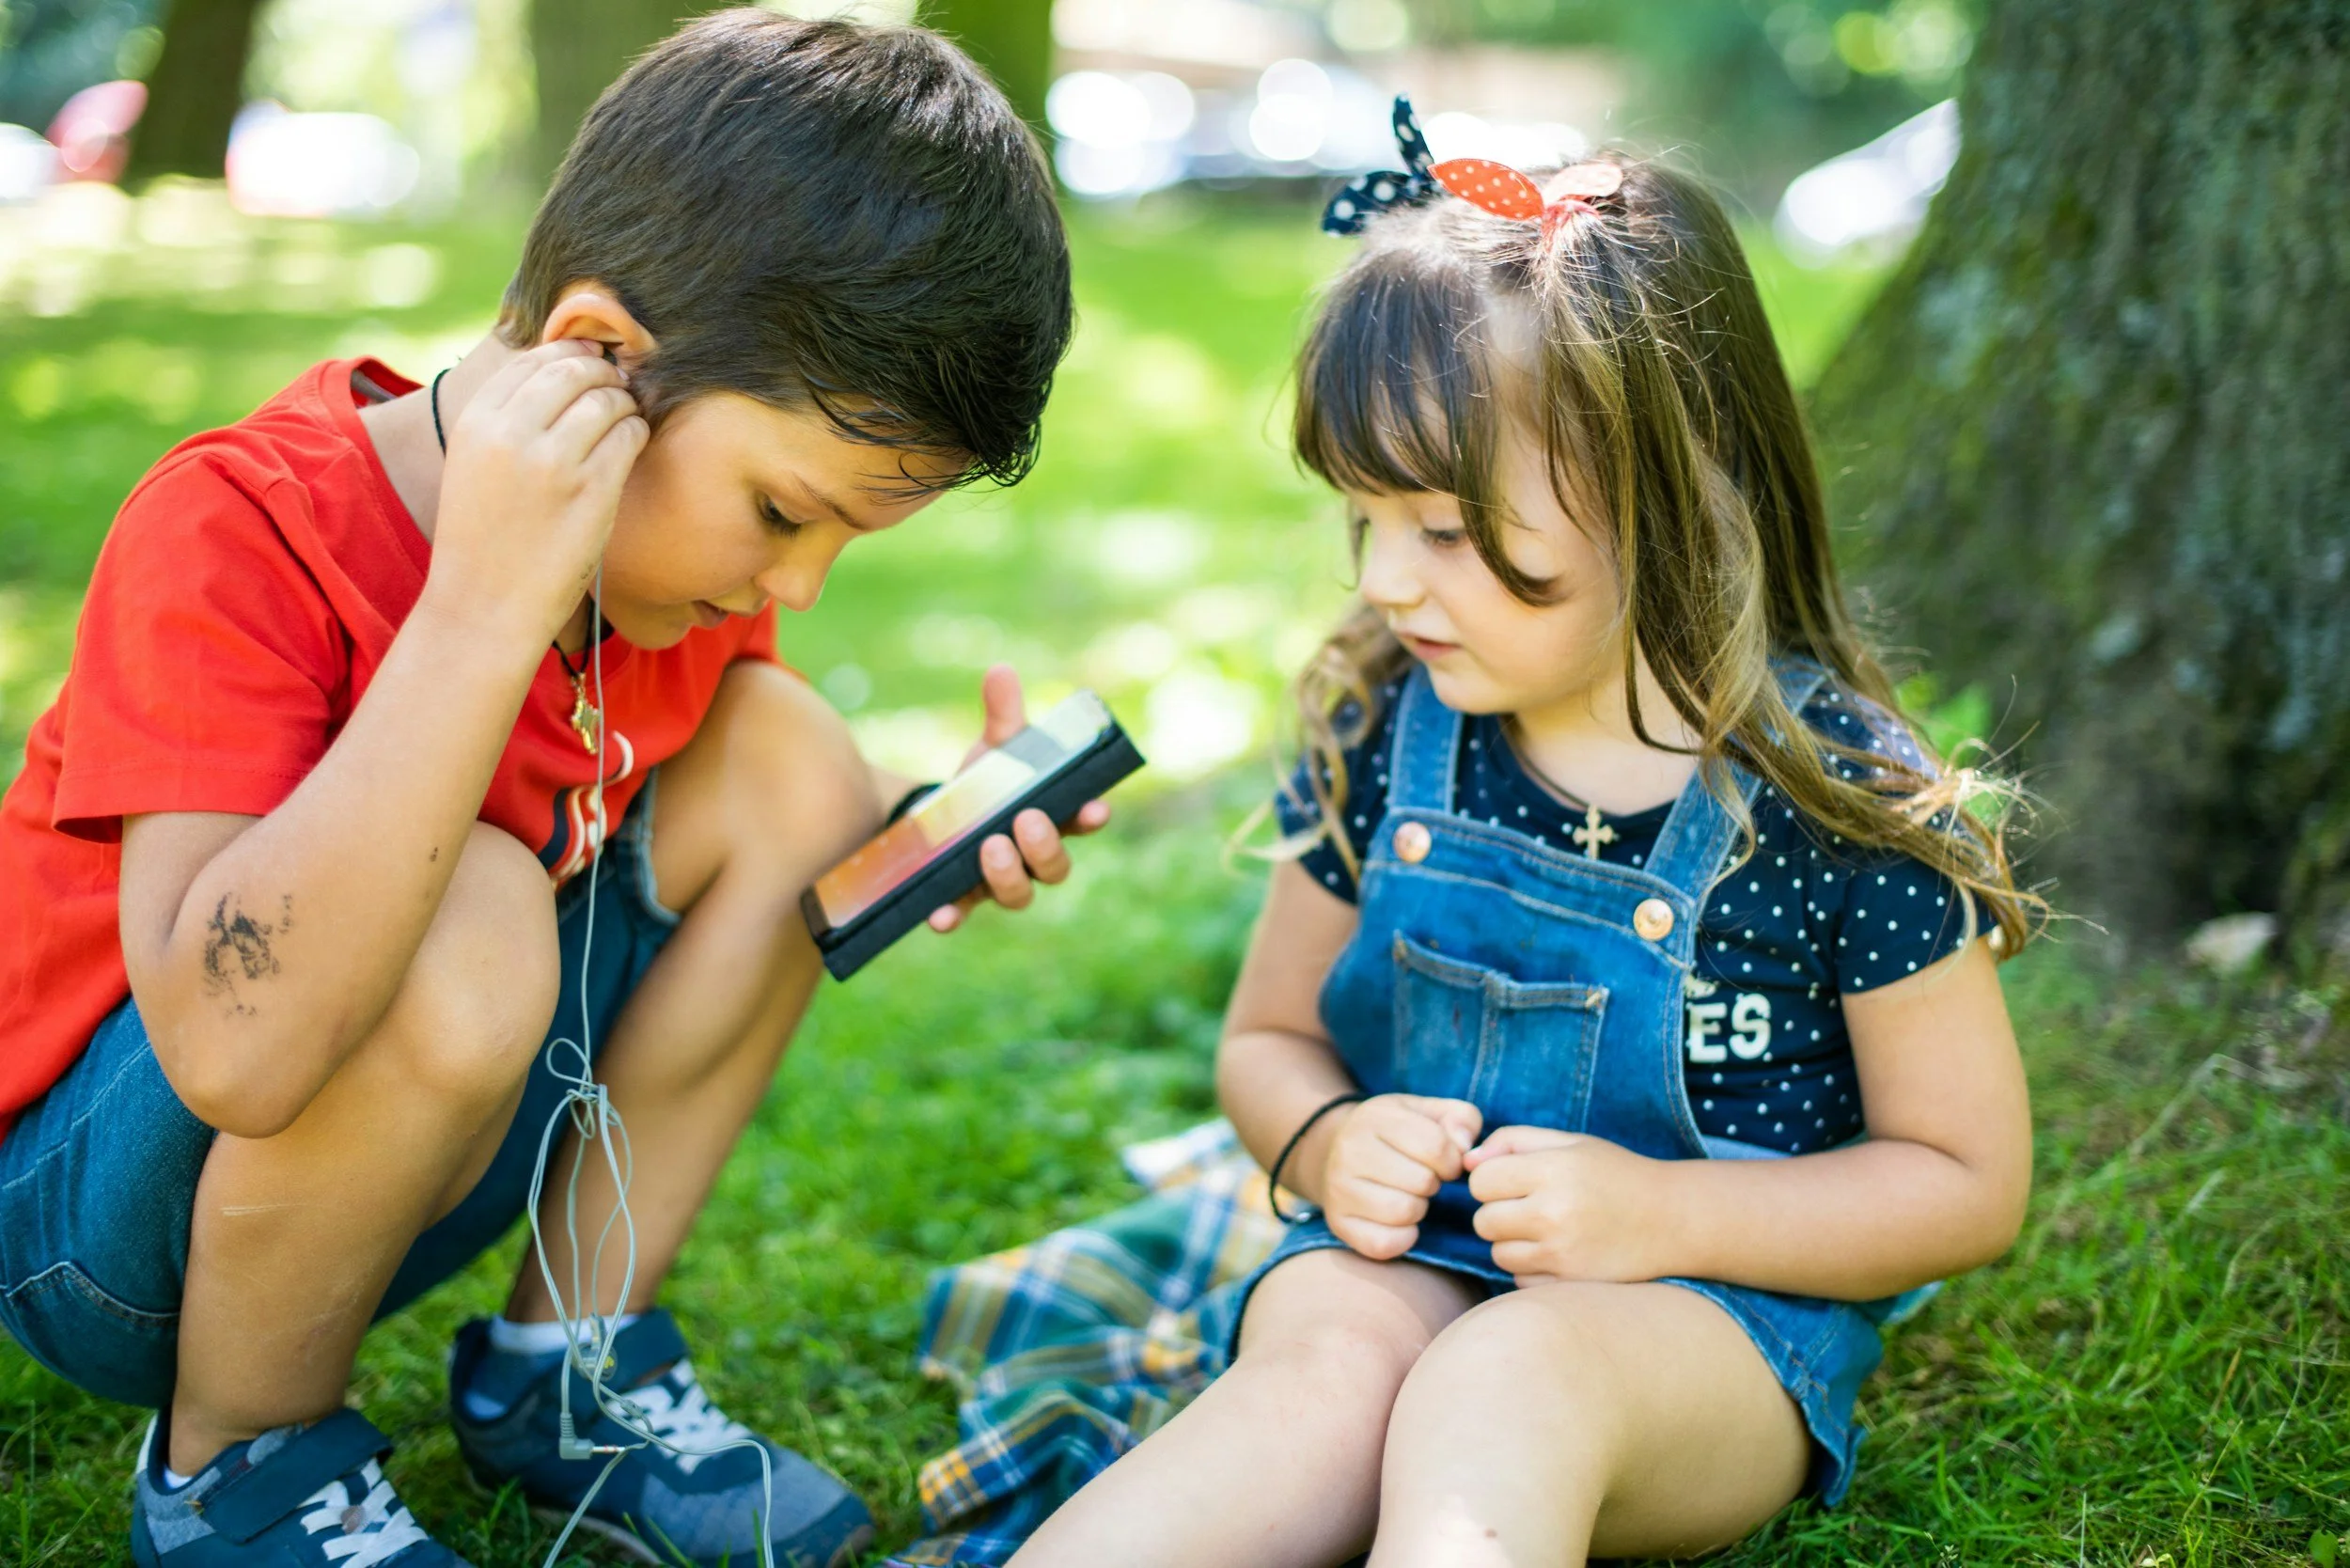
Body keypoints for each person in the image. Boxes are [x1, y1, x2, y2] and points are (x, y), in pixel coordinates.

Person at [0, 13, 1084, 1567]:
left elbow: (729, 820)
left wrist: (924, 830)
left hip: (391, 1157)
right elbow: (231, 1050)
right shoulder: (237, 531)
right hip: (104, 1226)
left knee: (793, 761)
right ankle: (234, 1472)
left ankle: (565, 1368)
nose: (801, 582)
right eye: (782, 513)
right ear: (597, 362)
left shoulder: (664, 581)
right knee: (472, 895)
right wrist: (482, 610)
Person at [1008, 110, 2039, 1568]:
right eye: (1366, 518)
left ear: (1676, 505)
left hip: (1706, 1318)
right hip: (1402, 1261)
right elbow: (1268, 1041)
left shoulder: (1837, 803)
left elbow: (1963, 1182)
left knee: (1510, 1380)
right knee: (1320, 1378)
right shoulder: (1390, 723)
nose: (1387, 584)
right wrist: (1325, 1138)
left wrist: (1661, 1213)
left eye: (1449, 533)